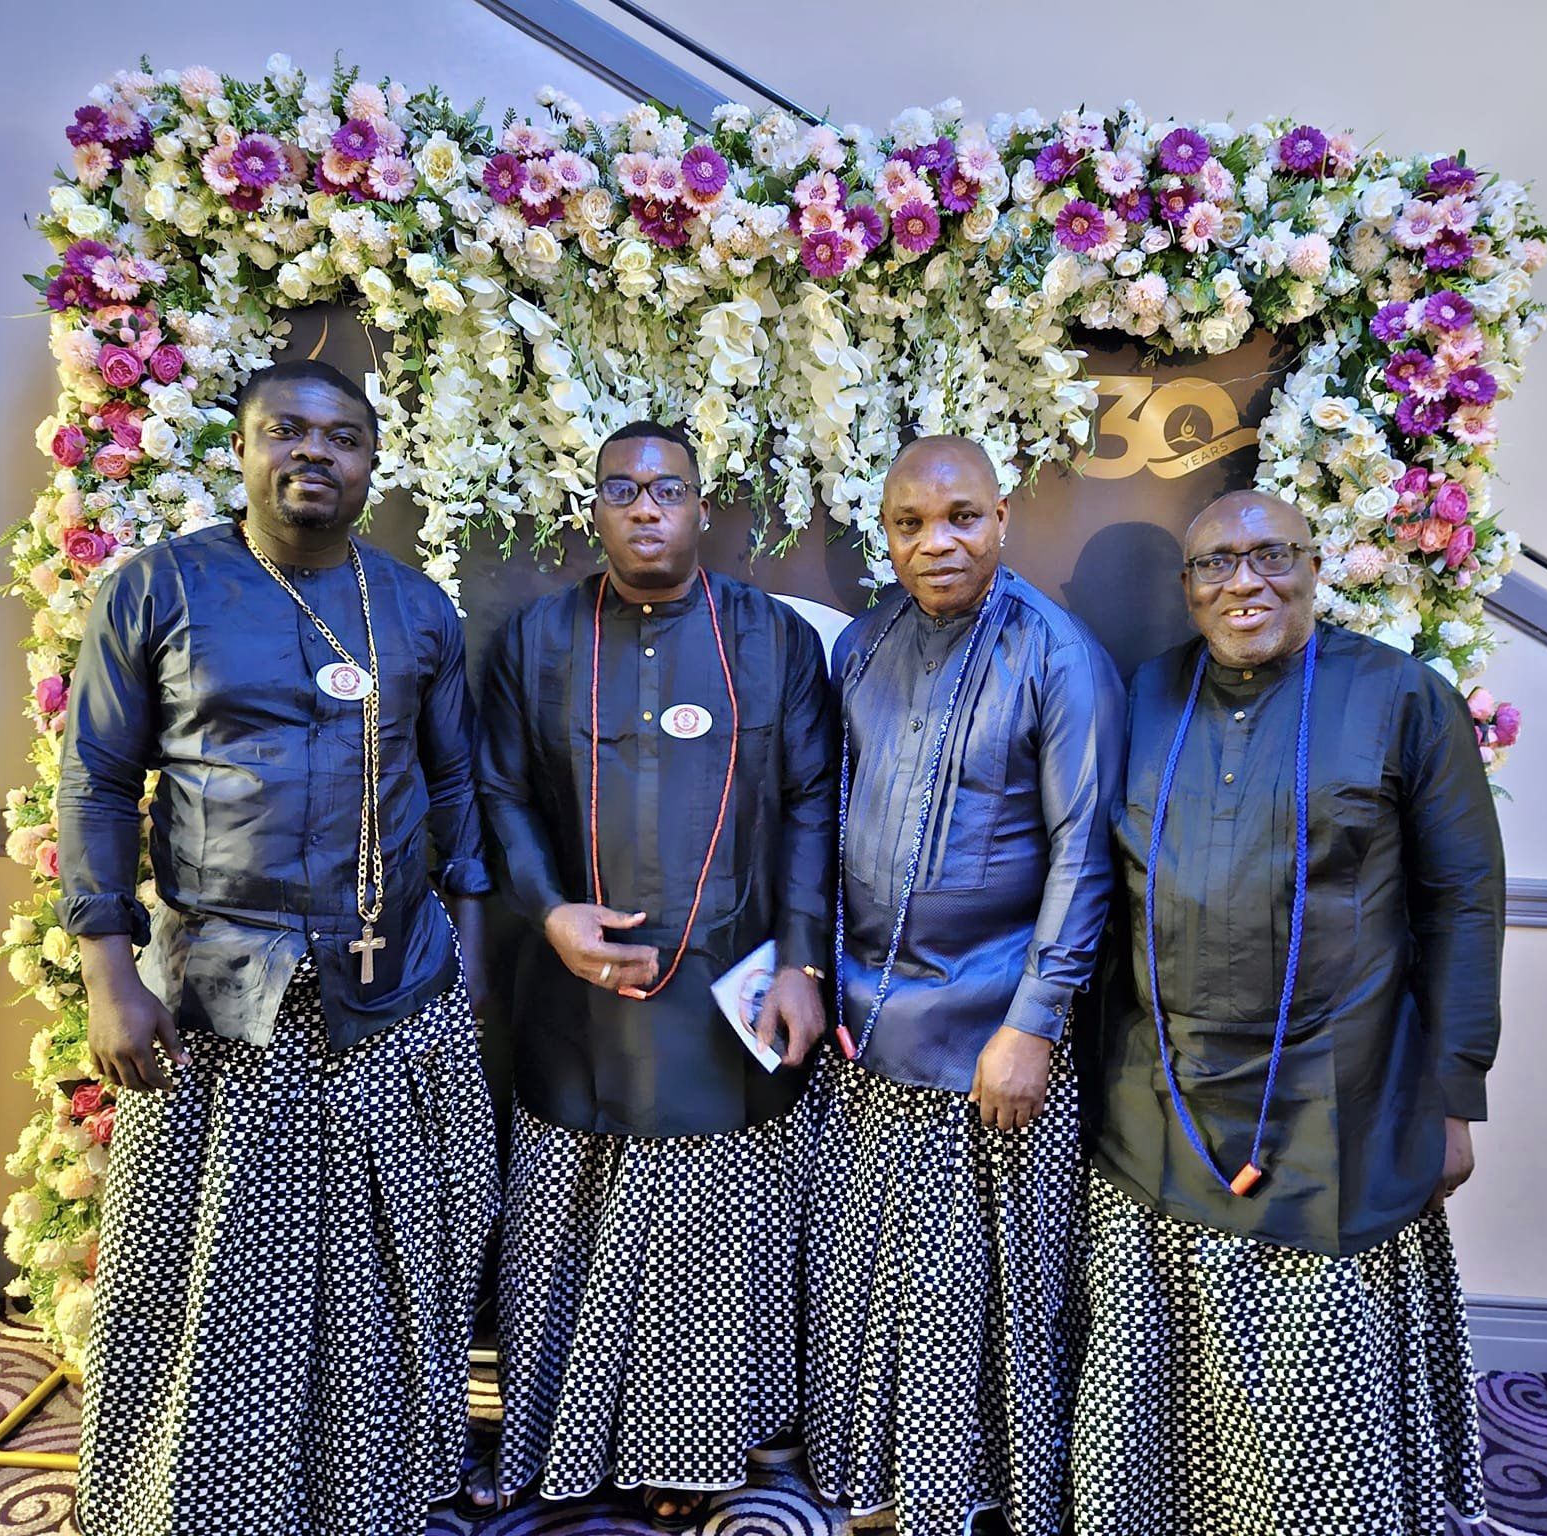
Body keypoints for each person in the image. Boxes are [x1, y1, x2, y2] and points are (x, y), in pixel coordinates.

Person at [57, 360, 499, 1536]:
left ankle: (373, 1493)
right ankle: (205, 1504)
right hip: (219, 995)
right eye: (286, 431)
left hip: (393, 990)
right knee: (221, 1283)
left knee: (384, 1273)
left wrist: (461, 955)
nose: (315, 453)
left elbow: (452, 787)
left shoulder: (410, 606)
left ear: (372, 461)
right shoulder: (161, 589)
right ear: (242, 447)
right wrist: (109, 972)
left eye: (342, 436)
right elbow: (98, 781)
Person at [1072, 489, 1503, 1536]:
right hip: (1160, 1097)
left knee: (1312, 1413)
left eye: (1269, 556)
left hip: (1339, 1094)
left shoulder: (1400, 696)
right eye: (1214, 564)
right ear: (1185, 589)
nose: (1242, 583)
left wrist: (1451, 1097)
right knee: (1156, 1386)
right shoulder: (1147, 692)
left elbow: (1463, 901)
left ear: (1314, 565)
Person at [473, 420, 837, 1527]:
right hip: (575, 999)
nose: (644, 509)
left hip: (729, 992)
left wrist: (805, 962)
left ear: (700, 504)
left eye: (665, 489)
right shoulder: (535, 638)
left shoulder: (771, 637)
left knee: (712, 1238)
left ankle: (710, 1445)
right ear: (592, 508)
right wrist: (546, 914)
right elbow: (497, 794)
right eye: (621, 490)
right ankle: (563, 1442)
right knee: (566, 1230)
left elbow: (814, 801)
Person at [802, 435, 1123, 1536]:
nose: (933, 542)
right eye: (906, 523)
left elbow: (1085, 857)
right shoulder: (866, 642)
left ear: (1000, 520)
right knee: (866, 1280)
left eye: (958, 518)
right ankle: (868, 1478)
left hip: (990, 1032)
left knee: (956, 1298)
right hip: (865, 1023)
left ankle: (963, 1490)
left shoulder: (1057, 656)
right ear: (883, 533)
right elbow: (827, 816)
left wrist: (1033, 1024)